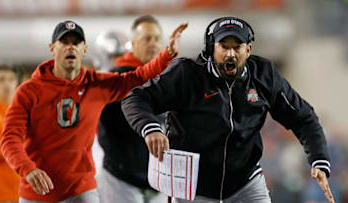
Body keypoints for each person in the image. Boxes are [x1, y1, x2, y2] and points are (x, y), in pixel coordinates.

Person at [121, 16, 335, 203]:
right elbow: (135, 99)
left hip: (246, 181)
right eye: (224, 46)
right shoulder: (187, 74)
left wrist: (319, 160)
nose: (231, 54)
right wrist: (151, 129)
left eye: (237, 46)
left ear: (248, 50)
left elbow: (304, 118)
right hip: (193, 186)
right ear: (211, 48)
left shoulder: (265, 75)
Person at [0, 20, 187, 203]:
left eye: (76, 42)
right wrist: (27, 169)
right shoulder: (28, 91)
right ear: (52, 48)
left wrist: (167, 53)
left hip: (81, 189)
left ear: (84, 49)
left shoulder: (96, 84)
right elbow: (9, 138)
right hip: (37, 191)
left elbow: (136, 78)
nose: (70, 47)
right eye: (64, 42)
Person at [97, 15, 168, 203]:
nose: (152, 44)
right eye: (147, 38)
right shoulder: (114, 80)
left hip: (160, 181)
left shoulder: (170, 77)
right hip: (121, 178)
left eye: (156, 38)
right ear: (134, 43)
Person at [0, 64, 20, 203]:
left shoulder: (24, 112)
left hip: (21, 191)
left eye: (11, 79)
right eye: (1, 79)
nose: (7, 84)